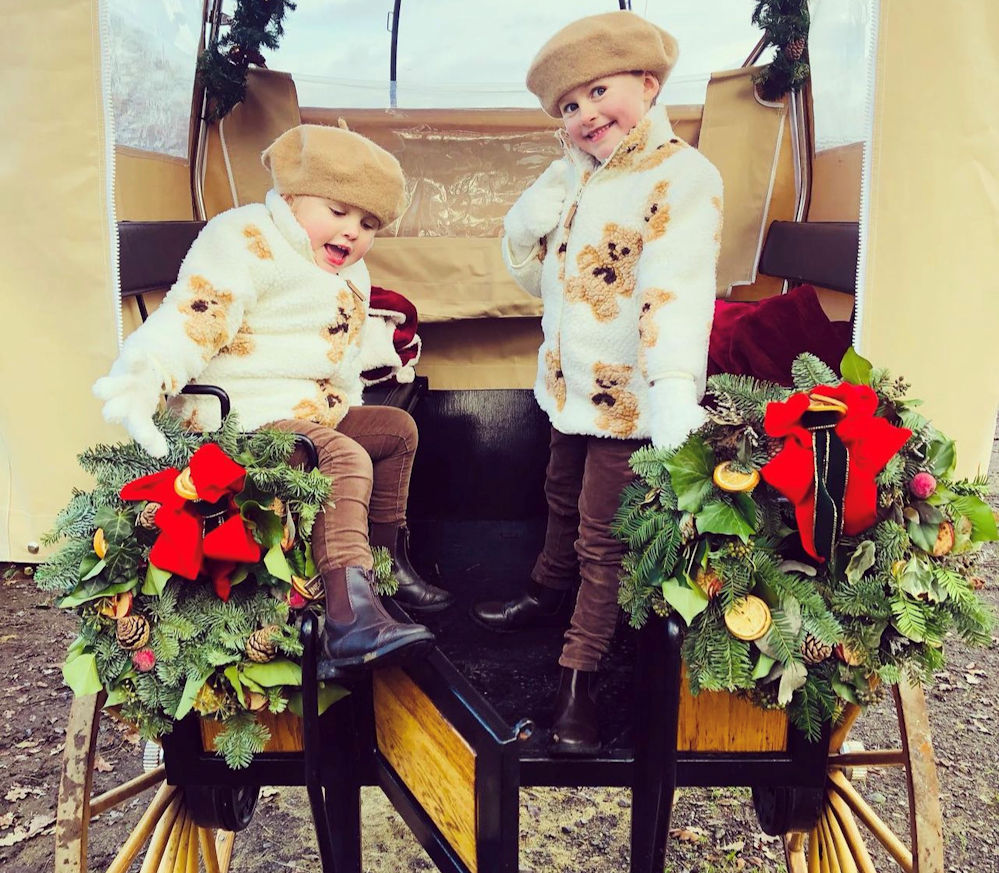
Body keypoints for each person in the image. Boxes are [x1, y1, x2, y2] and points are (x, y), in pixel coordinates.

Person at [93, 123, 453, 676]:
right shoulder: (247, 237)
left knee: (396, 431)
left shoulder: (345, 266)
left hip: (305, 409)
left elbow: (342, 346)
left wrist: (349, 395)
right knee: (344, 456)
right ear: (291, 196)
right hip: (240, 415)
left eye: (368, 224)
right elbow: (198, 312)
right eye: (338, 211)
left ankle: (383, 567)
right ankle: (348, 615)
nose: (353, 233)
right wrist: (147, 374)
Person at [471, 11, 724, 754]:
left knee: (601, 535)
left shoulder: (681, 174)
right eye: (568, 106)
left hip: (637, 397)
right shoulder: (572, 175)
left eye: (598, 92)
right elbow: (536, 280)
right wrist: (524, 229)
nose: (584, 115)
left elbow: (675, 287)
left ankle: (578, 672)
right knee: (557, 494)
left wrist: (675, 386)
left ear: (646, 86)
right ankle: (547, 589)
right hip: (569, 384)